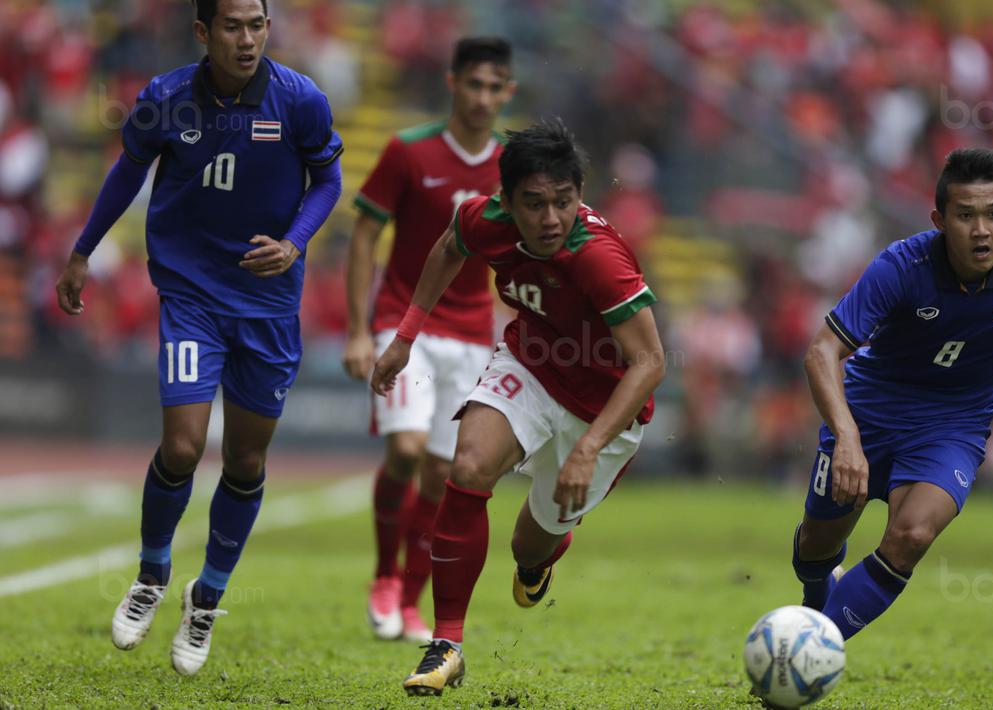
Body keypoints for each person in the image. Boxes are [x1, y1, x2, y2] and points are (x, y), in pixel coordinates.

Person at [53, 0, 342, 676]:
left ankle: (205, 597)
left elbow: (327, 178)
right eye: (233, 27)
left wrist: (295, 244)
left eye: (257, 26)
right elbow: (129, 168)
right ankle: (152, 574)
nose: (247, 40)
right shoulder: (166, 97)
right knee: (182, 446)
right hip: (191, 294)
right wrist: (82, 250)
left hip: (268, 304)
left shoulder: (301, 101)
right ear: (203, 33)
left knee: (244, 462)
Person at [369, 118, 664, 695]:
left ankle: (542, 555)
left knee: (528, 546)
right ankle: (446, 646)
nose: (551, 218)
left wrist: (588, 447)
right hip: (530, 366)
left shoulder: (599, 259)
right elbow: (450, 244)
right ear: (506, 201)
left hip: (601, 410)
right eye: (534, 204)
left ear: (580, 196)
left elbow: (650, 362)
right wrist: (406, 336)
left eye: (564, 201)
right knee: (469, 467)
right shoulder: (486, 220)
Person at [788, 148, 993, 645]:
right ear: (939, 219)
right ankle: (816, 596)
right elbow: (822, 352)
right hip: (868, 413)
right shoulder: (900, 266)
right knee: (816, 547)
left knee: (911, 536)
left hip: (954, 426)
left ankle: (807, 649)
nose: (982, 229)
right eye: (965, 215)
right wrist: (846, 436)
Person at [343, 37, 515, 643]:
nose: (483, 97)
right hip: (402, 320)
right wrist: (359, 330)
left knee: (445, 474)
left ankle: (412, 601)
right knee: (407, 450)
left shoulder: (511, 170)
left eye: (495, 87)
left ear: (508, 93)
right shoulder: (408, 151)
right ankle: (385, 577)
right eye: (474, 84)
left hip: (472, 332)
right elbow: (365, 235)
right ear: (452, 83)